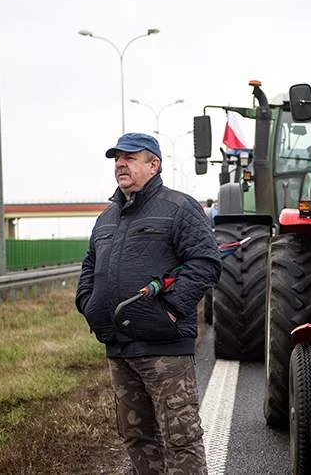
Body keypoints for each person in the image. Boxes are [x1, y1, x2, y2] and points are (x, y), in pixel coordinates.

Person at [76, 132, 221, 475]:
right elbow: (89, 266)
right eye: (116, 159)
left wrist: (169, 310)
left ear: (153, 165)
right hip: (119, 347)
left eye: (130, 157)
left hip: (164, 348)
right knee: (137, 437)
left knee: (180, 437)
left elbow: (206, 262)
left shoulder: (180, 208)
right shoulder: (107, 218)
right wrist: (88, 304)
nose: (120, 164)